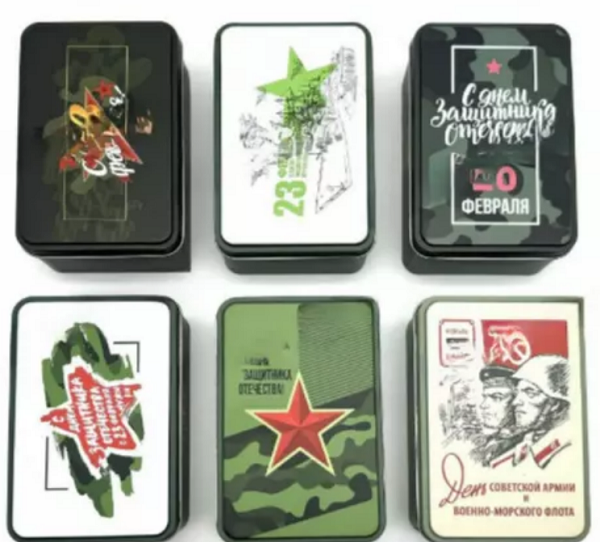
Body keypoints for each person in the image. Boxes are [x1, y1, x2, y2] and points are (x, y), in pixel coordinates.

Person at [490, 355, 571, 469]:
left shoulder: (568, 452)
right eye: (518, 393)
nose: (516, 402)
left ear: (555, 404)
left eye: (530, 393)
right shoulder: (504, 461)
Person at [471, 364, 522, 466]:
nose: (483, 405)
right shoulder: (491, 442)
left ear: (517, 401)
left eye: (496, 397)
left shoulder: (521, 446)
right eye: (484, 397)